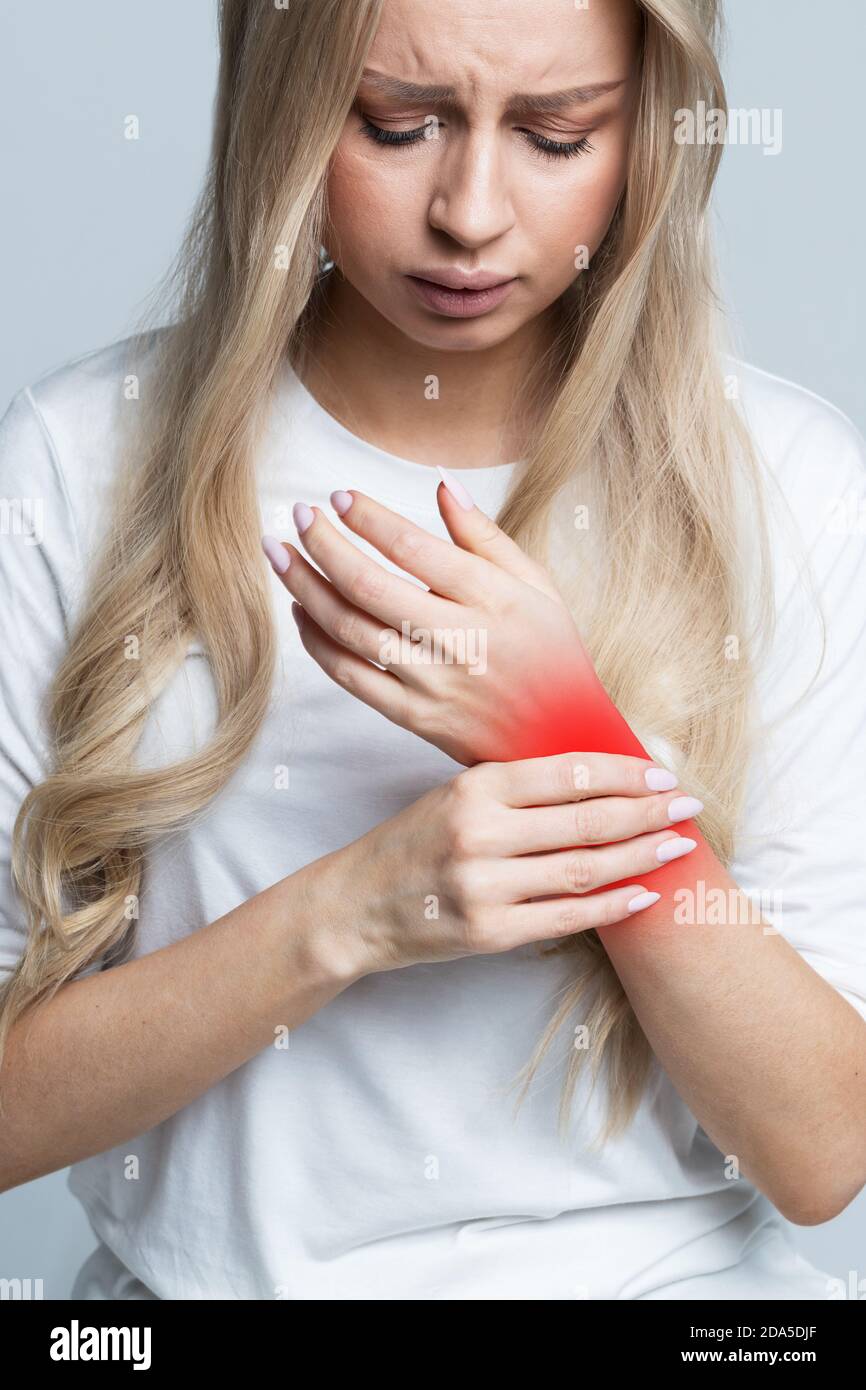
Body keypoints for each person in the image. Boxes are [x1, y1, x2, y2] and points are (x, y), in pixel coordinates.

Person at [1, 0, 864, 1301]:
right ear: (282, 108)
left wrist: (568, 734)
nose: (469, 210)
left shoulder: (786, 487)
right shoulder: (76, 467)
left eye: (555, 134)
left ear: (649, 136)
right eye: (397, 125)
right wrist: (354, 909)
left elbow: (822, 1148)